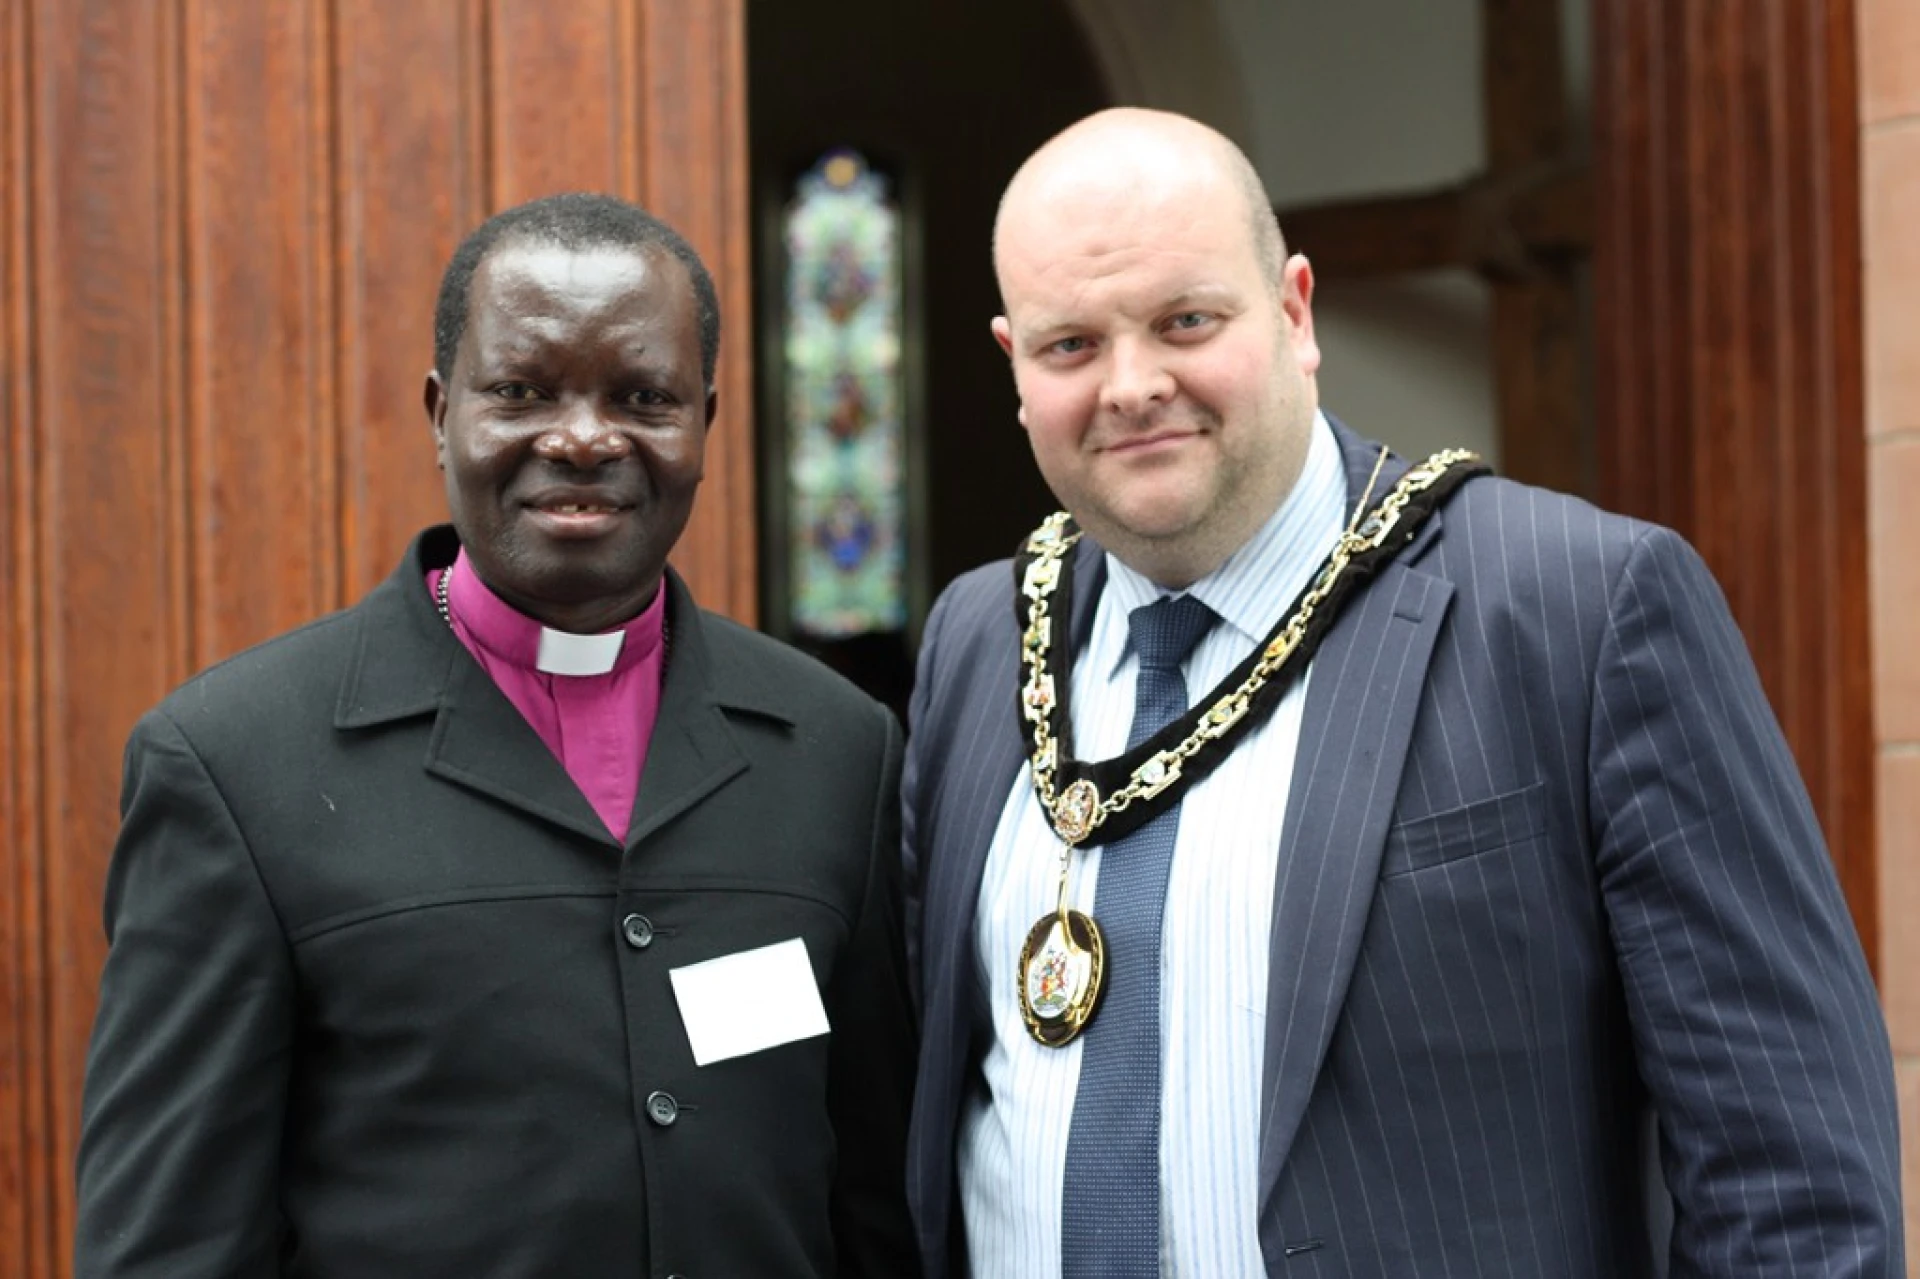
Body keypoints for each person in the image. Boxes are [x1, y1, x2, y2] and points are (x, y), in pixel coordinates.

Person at [901, 108, 1903, 1277]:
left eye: (1186, 321)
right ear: (1013, 364)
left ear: (1294, 311)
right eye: (1071, 345)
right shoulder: (977, 642)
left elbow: (1795, 1185)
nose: (1131, 386)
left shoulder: (1576, 610)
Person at [74, 193, 918, 1277]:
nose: (582, 438)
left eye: (644, 396)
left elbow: (877, 1212)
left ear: (704, 421)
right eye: (521, 390)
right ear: (441, 411)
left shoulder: (838, 750)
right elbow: (170, 1246)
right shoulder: (236, 764)